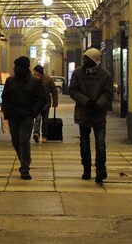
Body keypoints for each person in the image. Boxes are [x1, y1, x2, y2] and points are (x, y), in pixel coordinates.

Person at [68, 48, 114, 183]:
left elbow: (108, 93)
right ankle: (86, 169)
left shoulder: (105, 75)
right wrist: (86, 102)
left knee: (100, 144)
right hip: (83, 113)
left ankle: (100, 169)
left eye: (87, 58)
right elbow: (73, 91)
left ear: (94, 60)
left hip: (99, 114)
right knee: (84, 143)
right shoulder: (77, 73)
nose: (84, 60)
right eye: (84, 57)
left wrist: (98, 104)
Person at [1, 56, 47, 180]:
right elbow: (5, 97)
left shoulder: (35, 82)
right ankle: (25, 159)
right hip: (13, 116)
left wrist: (33, 112)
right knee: (15, 141)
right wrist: (7, 111)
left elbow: (42, 99)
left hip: (27, 116)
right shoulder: (10, 81)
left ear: (23, 68)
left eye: (17, 67)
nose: (14, 69)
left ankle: (25, 169)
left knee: (23, 140)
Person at [31, 64, 59, 143]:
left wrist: (55, 102)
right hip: (36, 104)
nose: (34, 73)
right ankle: (36, 133)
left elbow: (54, 91)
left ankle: (44, 135)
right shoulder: (32, 79)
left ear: (39, 72)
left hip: (46, 103)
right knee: (38, 119)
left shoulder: (48, 79)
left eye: (35, 72)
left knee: (45, 120)